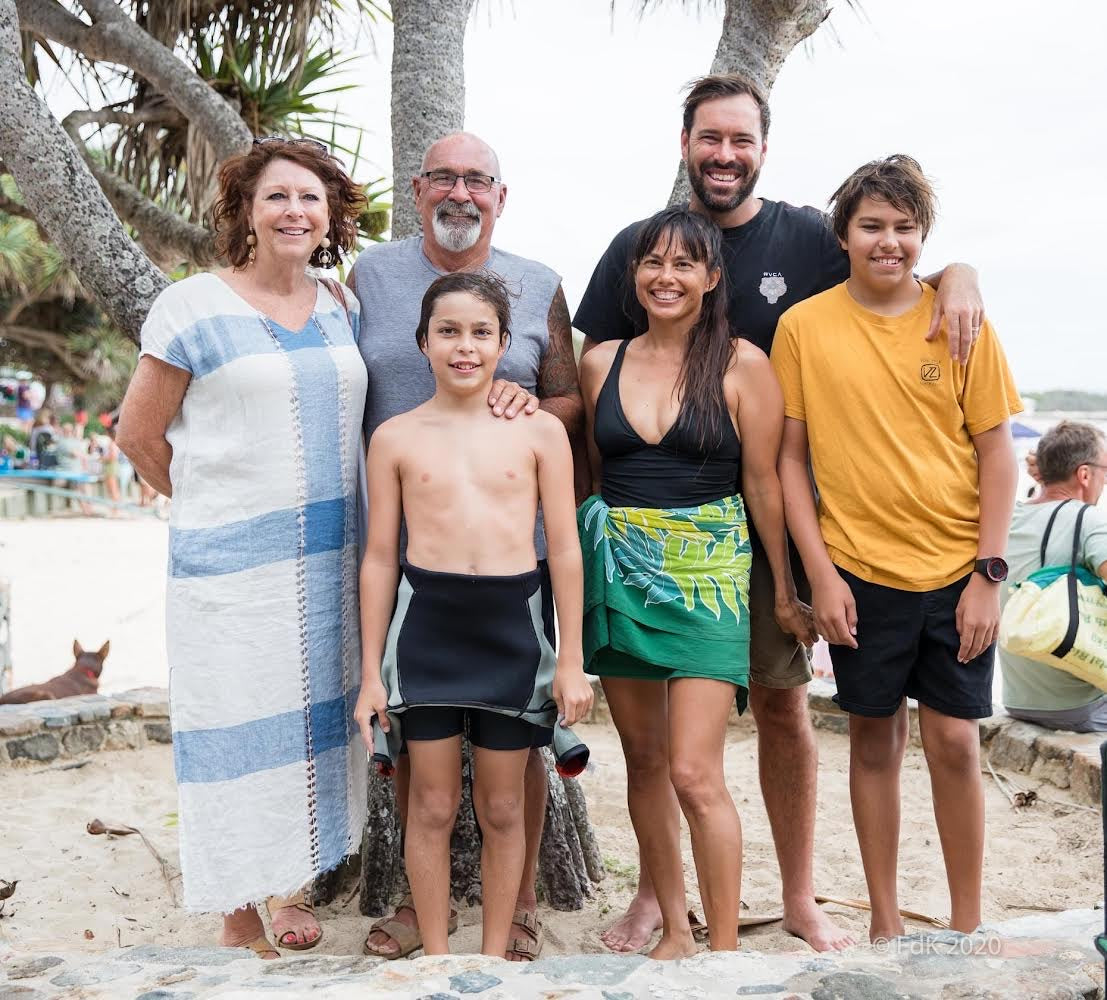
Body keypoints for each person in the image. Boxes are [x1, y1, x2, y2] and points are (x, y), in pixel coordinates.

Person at [574, 72, 987, 954]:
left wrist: (961, 274)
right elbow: (590, 390)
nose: (724, 155)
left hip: (777, 520)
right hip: (656, 524)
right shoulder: (636, 246)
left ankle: (798, 896)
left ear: (763, 147)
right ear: (683, 144)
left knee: (783, 707)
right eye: (708, 138)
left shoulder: (805, 234)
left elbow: (894, 257)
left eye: (740, 140)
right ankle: (658, 895)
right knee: (653, 742)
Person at [117, 136, 368, 957]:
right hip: (230, 573)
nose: (294, 211)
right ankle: (235, 910)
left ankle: (288, 887)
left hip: (333, 561)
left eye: (309, 198)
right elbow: (139, 435)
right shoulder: (191, 305)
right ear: (246, 214)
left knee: (307, 729)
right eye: (276, 198)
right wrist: (213, 512)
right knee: (232, 733)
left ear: (329, 217)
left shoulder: (341, 303)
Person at [772, 154, 1021, 940]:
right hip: (858, 572)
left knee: (952, 741)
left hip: (955, 572)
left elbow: (996, 452)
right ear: (841, 235)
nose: (888, 241)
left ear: (923, 237)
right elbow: (788, 459)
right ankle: (884, 922)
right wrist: (820, 576)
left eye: (904, 228)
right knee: (873, 740)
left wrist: (988, 574)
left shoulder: (960, 320)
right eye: (871, 226)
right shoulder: (803, 326)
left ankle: (966, 923)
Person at [350, 131, 583, 962]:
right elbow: (381, 556)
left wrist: (571, 658)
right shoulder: (372, 289)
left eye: (481, 334)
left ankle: (497, 949)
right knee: (429, 800)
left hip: (512, 618)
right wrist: (370, 669)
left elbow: (564, 547)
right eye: (447, 333)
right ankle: (436, 952)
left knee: (509, 802)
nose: (464, 348)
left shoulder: (539, 313)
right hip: (428, 616)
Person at [579, 207, 816, 958]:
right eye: (653, 262)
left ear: (713, 279)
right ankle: (675, 932)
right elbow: (592, 472)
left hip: (713, 582)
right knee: (643, 763)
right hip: (621, 576)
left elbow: (765, 484)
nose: (666, 276)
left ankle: (722, 949)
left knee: (692, 769)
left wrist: (781, 590)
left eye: (685, 264)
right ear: (634, 275)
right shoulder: (599, 364)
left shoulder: (743, 363)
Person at [1000, 421, 1107, 732]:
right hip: (1080, 704)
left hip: (1017, 699)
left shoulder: (1008, 517)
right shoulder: (1088, 520)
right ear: (1084, 474)